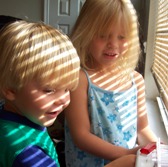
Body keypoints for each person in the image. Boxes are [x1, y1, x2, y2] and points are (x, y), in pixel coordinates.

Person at [64, 0, 158, 166]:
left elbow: (142, 129)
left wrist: (156, 148)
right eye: (102, 35)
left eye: (122, 37)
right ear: (85, 33)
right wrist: (125, 155)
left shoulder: (136, 80)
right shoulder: (79, 79)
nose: (113, 45)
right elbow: (81, 136)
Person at [0, 20, 80, 167]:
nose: (63, 100)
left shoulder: (11, 117)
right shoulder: (27, 153)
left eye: (67, 88)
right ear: (10, 89)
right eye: (49, 90)